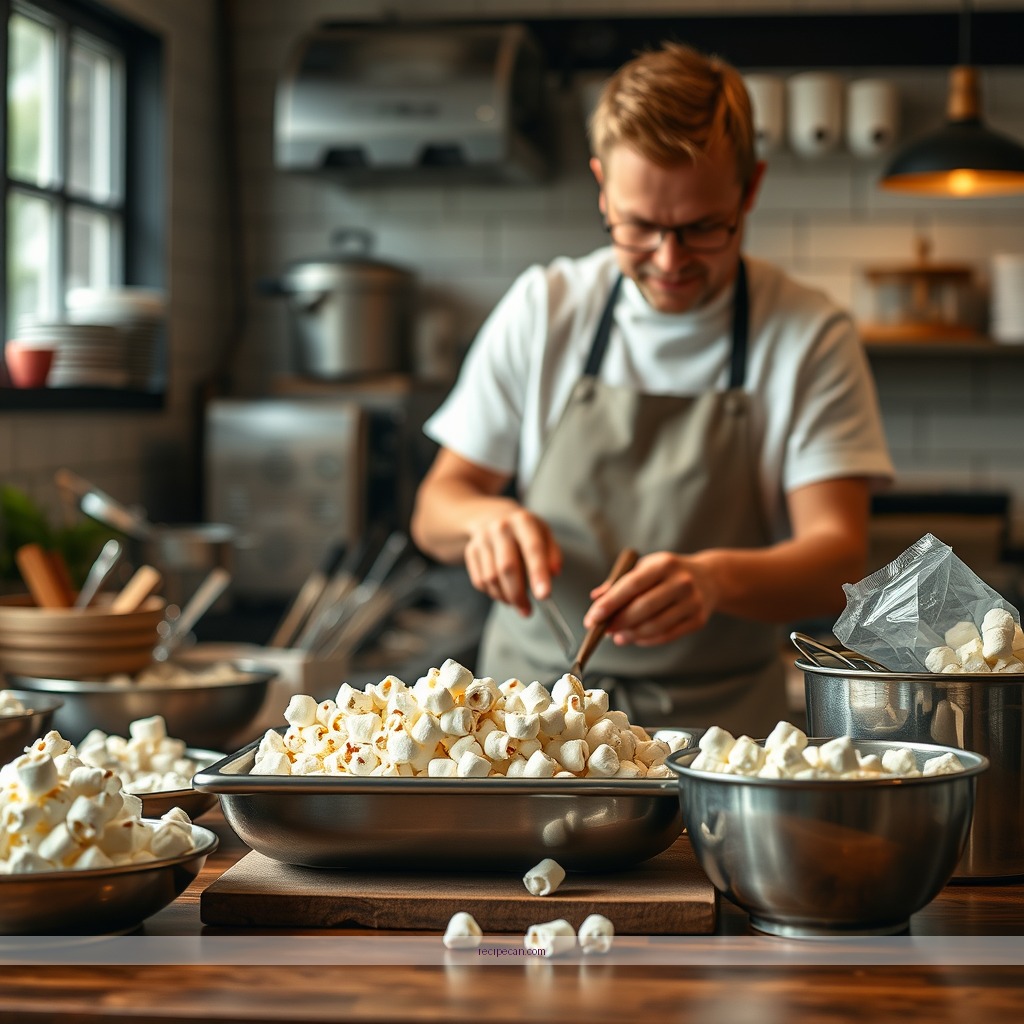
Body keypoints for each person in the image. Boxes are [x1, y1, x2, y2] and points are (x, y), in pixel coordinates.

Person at [410, 42, 893, 736]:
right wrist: (483, 522)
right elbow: (436, 509)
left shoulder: (808, 335)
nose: (668, 260)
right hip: (525, 718)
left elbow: (837, 559)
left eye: (702, 228)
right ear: (602, 188)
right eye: (639, 227)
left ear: (750, 189)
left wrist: (714, 581)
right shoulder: (546, 308)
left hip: (716, 733)